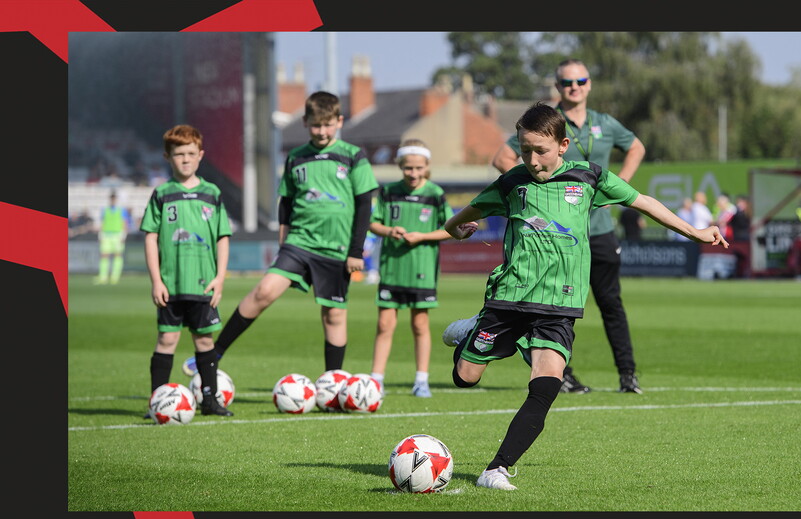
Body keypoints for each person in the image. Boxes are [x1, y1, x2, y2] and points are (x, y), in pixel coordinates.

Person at [443, 103, 728, 490]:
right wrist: (459, 229)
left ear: (562, 146)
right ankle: (471, 331)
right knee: (466, 377)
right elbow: (455, 220)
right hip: (508, 299)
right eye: (524, 150)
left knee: (546, 383)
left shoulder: (588, 177)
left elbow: (642, 201)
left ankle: (497, 468)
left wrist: (694, 232)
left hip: (559, 306)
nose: (531, 158)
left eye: (539, 150)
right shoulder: (511, 184)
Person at [182, 91, 378, 378]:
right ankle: (213, 354)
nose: (321, 132)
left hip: (337, 249)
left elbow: (364, 204)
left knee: (333, 314)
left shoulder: (353, 156)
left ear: (339, 121)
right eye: (315, 125)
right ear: (304, 122)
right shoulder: (296, 158)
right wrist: (283, 242)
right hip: (298, 243)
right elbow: (286, 203)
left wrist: (355, 251)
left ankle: (332, 381)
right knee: (263, 292)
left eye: (327, 125)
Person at [490, 58, 646, 395]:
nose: (573, 88)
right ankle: (562, 376)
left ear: (589, 84)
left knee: (611, 303)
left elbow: (636, 147)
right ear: (557, 87)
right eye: (566, 83)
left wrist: (616, 189)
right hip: (552, 236)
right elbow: (502, 158)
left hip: (599, 229)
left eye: (579, 81)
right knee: (542, 305)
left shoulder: (604, 123)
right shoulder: (547, 122)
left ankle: (628, 374)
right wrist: (531, 200)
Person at [140, 124, 233, 418]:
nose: (185, 159)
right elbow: (151, 237)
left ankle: (209, 400)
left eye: (191, 153)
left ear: (200, 155)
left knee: (205, 340)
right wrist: (156, 280)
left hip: (203, 284)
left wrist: (219, 279)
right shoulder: (162, 193)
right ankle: (157, 401)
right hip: (171, 284)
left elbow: (222, 237)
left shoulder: (212, 193)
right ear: (168, 157)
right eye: (179, 154)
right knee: (167, 340)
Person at [367, 139, 454, 397]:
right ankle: (376, 380)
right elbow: (374, 223)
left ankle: (421, 380)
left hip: (422, 269)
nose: (413, 173)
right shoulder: (388, 192)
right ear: (400, 166)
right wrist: (389, 230)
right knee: (384, 324)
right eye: (408, 168)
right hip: (393, 267)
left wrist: (422, 237)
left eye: (418, 168)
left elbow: (449, 229)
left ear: (426, 166)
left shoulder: (435, 194)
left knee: (419, 324)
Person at [95, 191, 131, 284]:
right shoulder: (105, 210)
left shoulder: (121, 210)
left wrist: (123, 234)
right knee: (104, 255)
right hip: (106, 235)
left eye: (114, 198)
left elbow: (124, 223)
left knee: (117, 255)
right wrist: (101, 233)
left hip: (117, 235)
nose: (113, 200)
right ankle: (103, 277)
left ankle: (115, 277)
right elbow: (102, 222)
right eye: (111, 198)